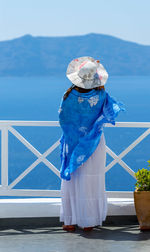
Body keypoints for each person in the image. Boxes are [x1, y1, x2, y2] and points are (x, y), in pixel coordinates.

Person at [58, 56, 125, 231]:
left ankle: (69, 221)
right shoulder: (102, 95)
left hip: (72, 143)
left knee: (73, 179)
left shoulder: (68, 95)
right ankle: (88, 221)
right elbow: (111, 112)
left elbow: (63, 118)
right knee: (90, 181)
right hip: (94, 143)